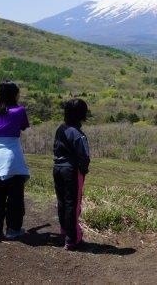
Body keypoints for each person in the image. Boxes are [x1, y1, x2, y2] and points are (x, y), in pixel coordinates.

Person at [0, 81, 30, 244]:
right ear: (14, 95)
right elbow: (24, 126)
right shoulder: (19, 111)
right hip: (12, 156)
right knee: (15, 197)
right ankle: (13, 230)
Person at [53, 98, 90, 250]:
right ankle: (72, 239)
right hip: (72, 171)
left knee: (62, 202)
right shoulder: (78, 134)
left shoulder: (60, 129)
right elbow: (84, 157)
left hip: (57, 168)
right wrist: (84, 170)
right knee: (73, 204)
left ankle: (64, 233)